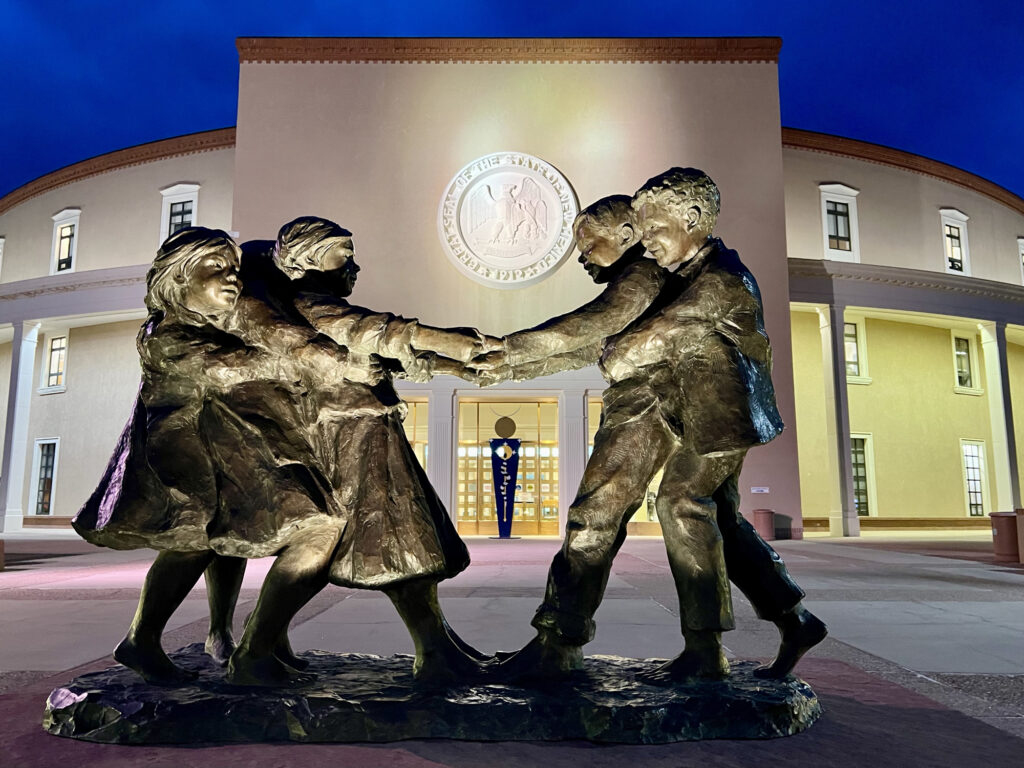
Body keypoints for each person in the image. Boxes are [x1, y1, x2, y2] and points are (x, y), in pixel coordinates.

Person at [476, 182, 826, 681]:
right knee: (719, 520)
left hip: (717, 416)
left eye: (652, 229)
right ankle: (792, 620)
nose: (647, 241)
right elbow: (609, 341)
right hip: (696, 412)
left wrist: (519, 352)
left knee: (680, 504)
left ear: (693, 218)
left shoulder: (718, 279)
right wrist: (512, 366)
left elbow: (631, 336)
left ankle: (703, 653)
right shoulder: (678, 272)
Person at [73, 228, 363, 686]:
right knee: (199, 543)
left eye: (234, 269)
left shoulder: (214, 324)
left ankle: (224, 635)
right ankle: (149, 639)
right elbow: (233, 370)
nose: (232, 278)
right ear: (177, 279)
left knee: (224, 542)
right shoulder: (165, 333)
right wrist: (320, 361)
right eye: (216, 269)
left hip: (224, 453)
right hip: (186, 461)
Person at [264, 216, 502, 684]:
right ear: (311, 257)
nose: (355, 265)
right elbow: (375, 331)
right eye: (344, 253)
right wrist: (441, 338)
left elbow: (389, 352)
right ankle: (256, 647)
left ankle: (436, 646)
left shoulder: (323, 307)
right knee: (393, 541)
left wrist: (455, 364)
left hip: (371, 431)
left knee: (407, 541)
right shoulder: (312, 306)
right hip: (353, 438)